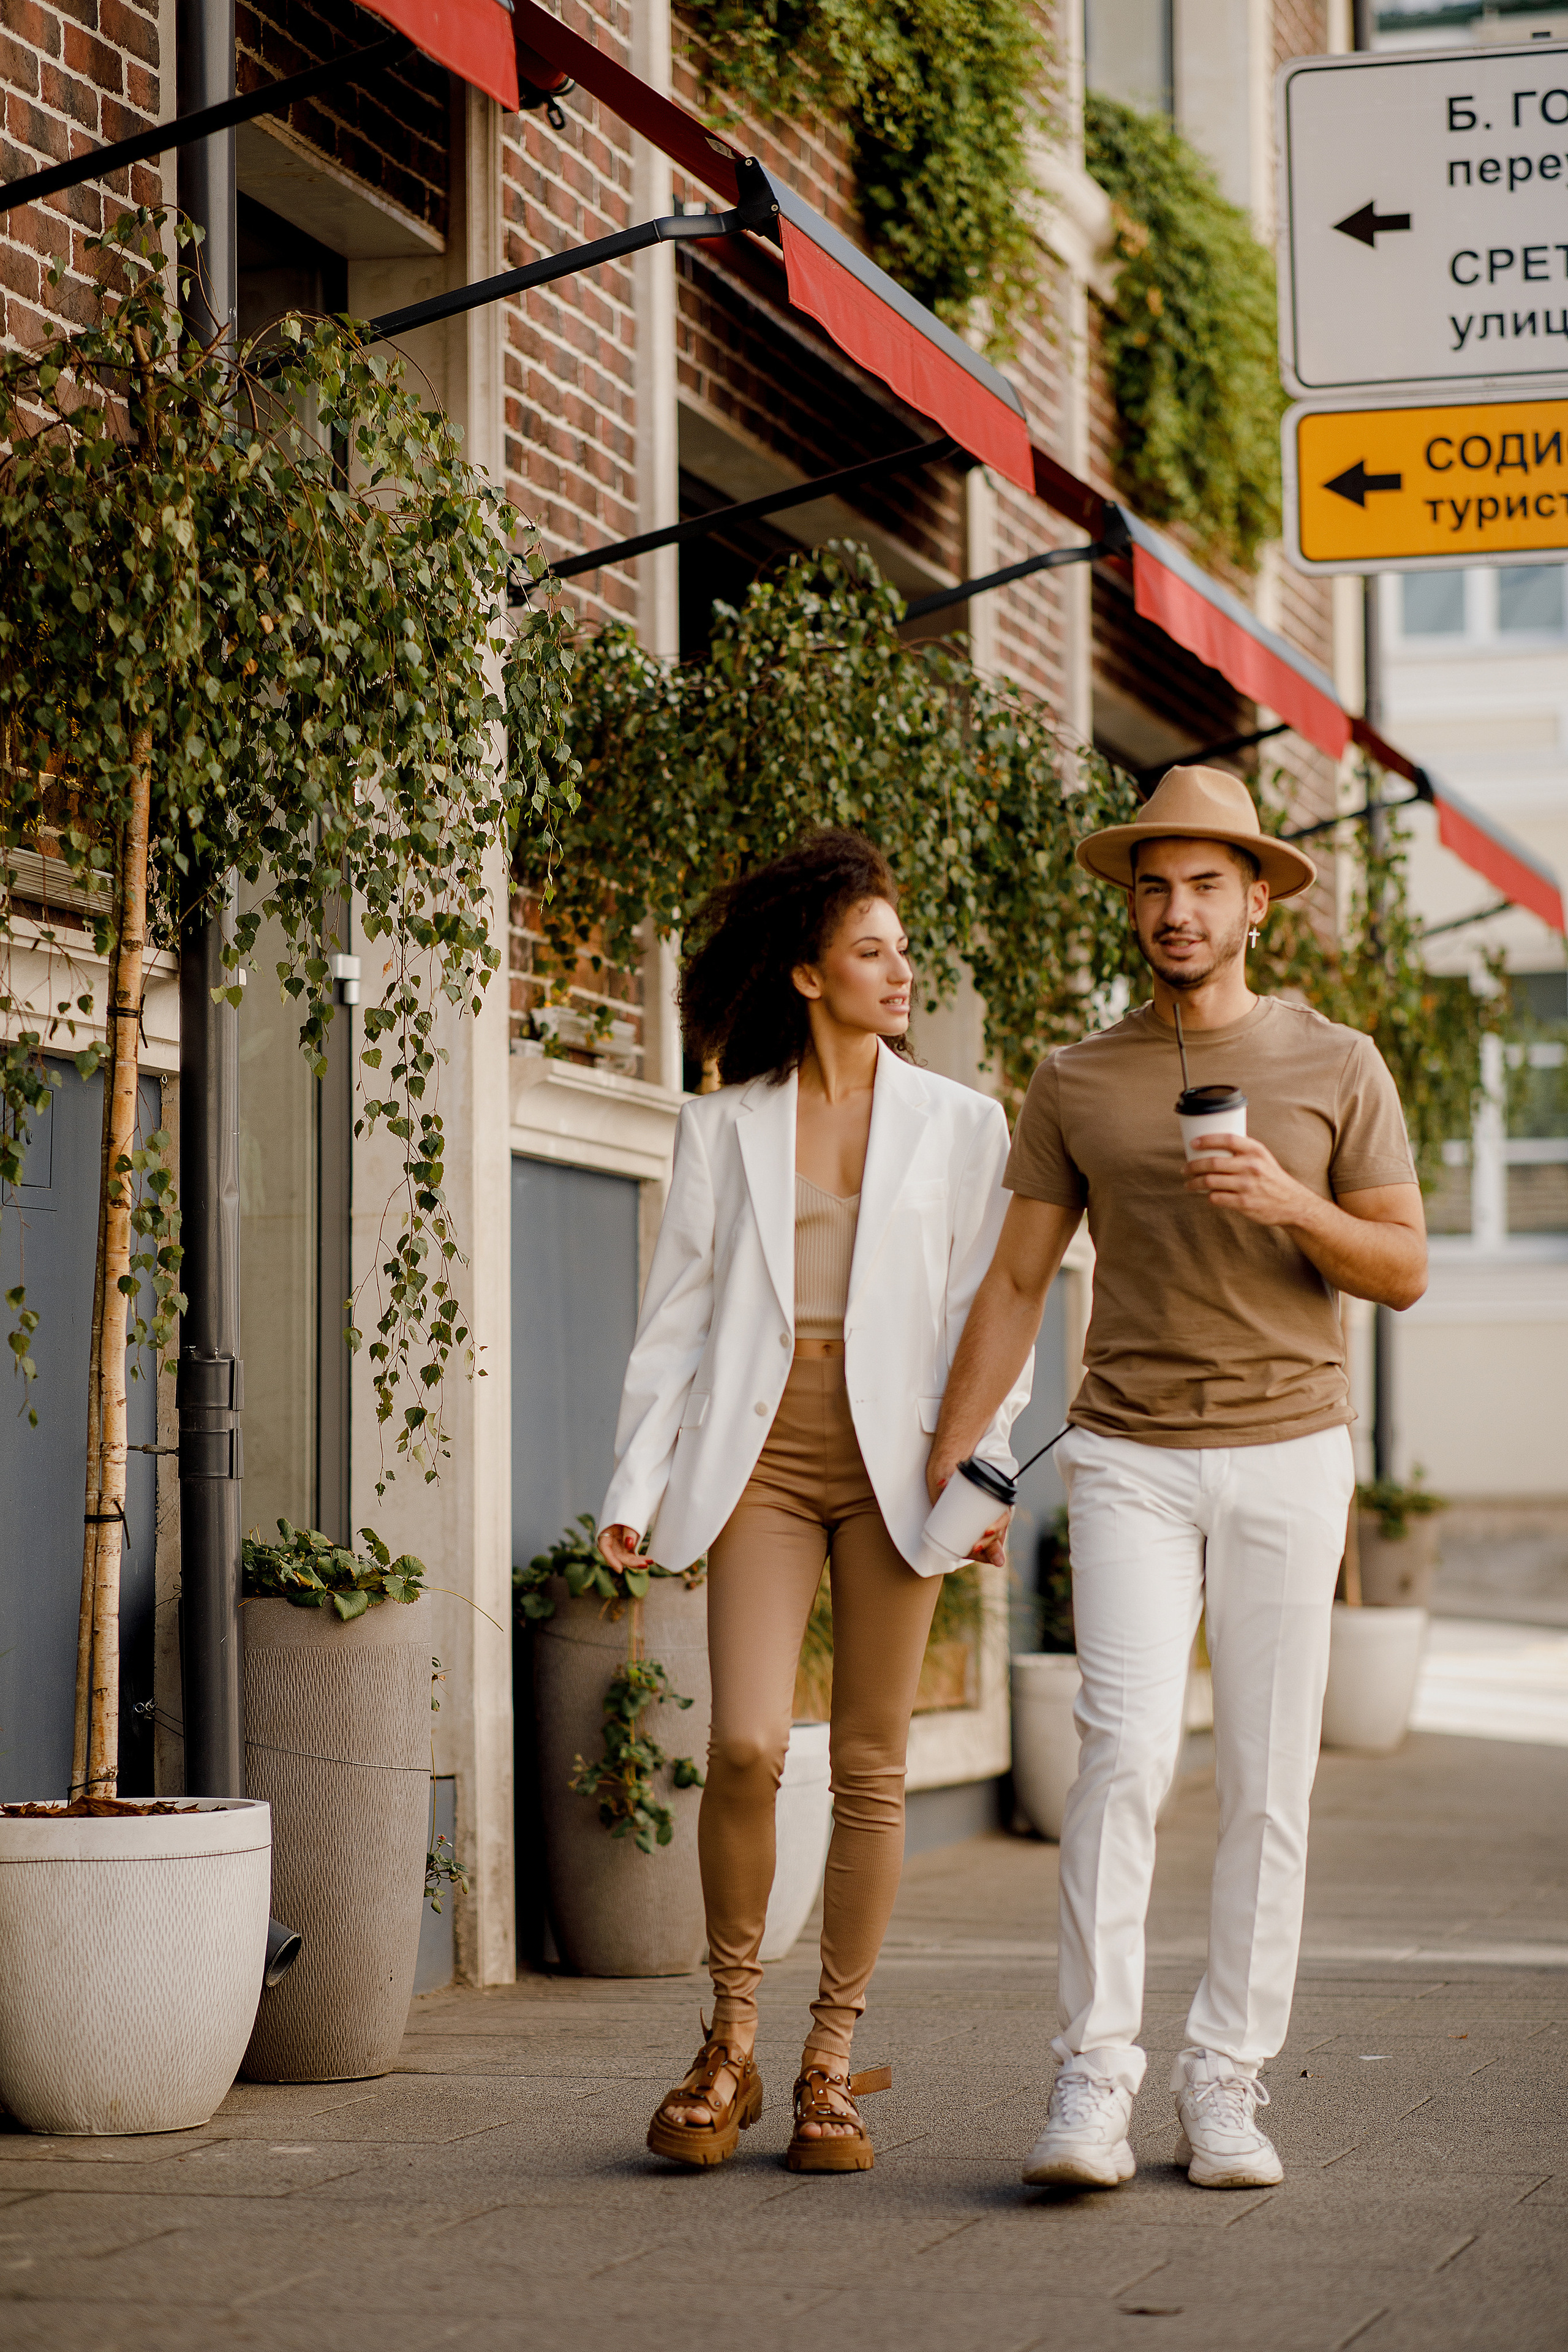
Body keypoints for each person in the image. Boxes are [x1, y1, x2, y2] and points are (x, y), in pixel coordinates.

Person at [929, 765, 1427, 2194]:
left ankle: (1225, 2081)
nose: (1172, 908)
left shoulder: (1336, 1066)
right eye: (1151, 884)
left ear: (1256, 900)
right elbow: (1017, 1279)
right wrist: (956, 1467)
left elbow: (1398, 1269)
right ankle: (1092, 2078)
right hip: (1130, 1450)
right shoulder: (1078, 1077)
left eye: (1204, 883)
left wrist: (1288, 1201)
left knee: (1268, 1781)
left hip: (1287, 1446)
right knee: (1125, 1757)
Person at [598, 828, 1029, 2175]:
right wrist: (634, 1480)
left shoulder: (963, 1126)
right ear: (803, 973)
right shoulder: (720, 1127)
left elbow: (989, 1316)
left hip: (896, 1467)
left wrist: (979, 1468)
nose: (899, 972)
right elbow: (673, 1322)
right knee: (742, 1747)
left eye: (903, 951)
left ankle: (828, 2061)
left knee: (872, 1764)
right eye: (870, 952)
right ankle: (726, 2039)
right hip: (762, 1465)